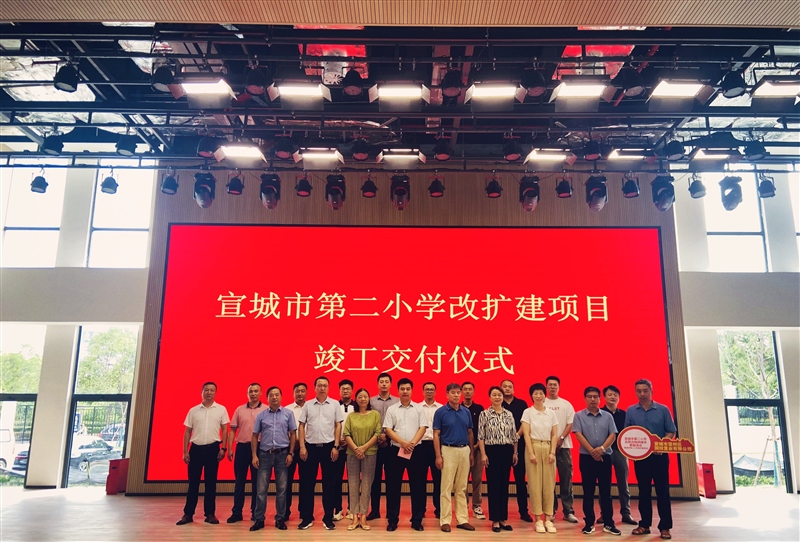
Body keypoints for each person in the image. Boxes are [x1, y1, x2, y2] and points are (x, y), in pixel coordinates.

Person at [625, 379, 677, 541]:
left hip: (660, 457)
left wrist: (662, 444)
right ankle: (644, 524)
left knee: (663, 491)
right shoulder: (631, 411)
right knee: (644, 491)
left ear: (651, 391)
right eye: (639, 391)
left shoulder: (663, 409)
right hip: (641, 459)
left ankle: (665, 527)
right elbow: (627, 433)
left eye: (645, 390)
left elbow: (671, 431)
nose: (642, 394)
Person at [176, 382, 230, 526]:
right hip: (196, 450)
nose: (209, 392)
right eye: (206, 390)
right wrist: (185, 451)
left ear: (215, 392)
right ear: (202, 392)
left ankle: (210, 514)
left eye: (212, 390)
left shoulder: (221, 409)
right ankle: (188, 514)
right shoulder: (193, 410)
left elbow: (225, 429)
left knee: (211, 483)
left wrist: (223, 448)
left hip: (213, 449)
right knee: (193, 483)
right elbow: (187, 431)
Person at [572, 386, 621, 536]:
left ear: (600, 399)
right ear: (585, 398)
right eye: (589, 397)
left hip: (605, 457)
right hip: (587, 458)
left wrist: (601, 449)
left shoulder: (608, 416)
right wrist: (592, 451)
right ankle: (589, 523)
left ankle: (609, 523)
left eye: (595, 397)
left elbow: (613, 434)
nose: (592, 399)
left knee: (606, 492)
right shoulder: (578, 415)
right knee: (588, 492)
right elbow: (578, 434)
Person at [297, 376, 344, 530]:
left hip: (329, 447)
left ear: (328, 388)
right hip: (309, 448)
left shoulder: (335, 404)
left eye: (325, 385)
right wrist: (302, 447)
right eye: (319, 385)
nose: (322, 388)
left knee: (329, 484)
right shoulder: (308, 405)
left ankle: (328, 518)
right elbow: (301, 426)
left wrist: (336, 446)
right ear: (315, 388)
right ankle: (307, 518)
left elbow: (338, 425)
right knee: (307, 484)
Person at [383, 378, 428, 531]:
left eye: (408, 389)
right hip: (396, 451)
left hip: (416, 451)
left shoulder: (419, 408)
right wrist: (403, 443)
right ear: (398, 390)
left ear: (411, 390)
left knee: (418, 486)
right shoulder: (392, 409)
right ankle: (392, 520)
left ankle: (417, 520)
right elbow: (388, 429)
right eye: (402, 389)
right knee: (393, 486)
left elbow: (423, 428)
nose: (405, 391)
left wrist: (411, 444)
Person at [250, 386, 297, 532]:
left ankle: (280, 519)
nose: (274, 397)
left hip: (283, 454)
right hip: (264, 455)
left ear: (281, 397)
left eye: (277, 394)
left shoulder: (288, 414)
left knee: (282, 489)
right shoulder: (262, 415)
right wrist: (254, 455)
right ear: (267, 398)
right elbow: (254, 435)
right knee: (261, 489)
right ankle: (259, 519)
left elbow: (293, 434)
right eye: (271, 395)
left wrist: (291, 453)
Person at [434, 383, 476, 532]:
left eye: (458, 392)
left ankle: (462, 519)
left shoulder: (466, 412)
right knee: (446, 487)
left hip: (464, 450)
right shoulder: (441, 412)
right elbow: (436, 434)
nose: (456, 395)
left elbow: (470, 433)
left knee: (462, 487)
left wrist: (471, 453)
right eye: (453, 392)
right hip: (448, 450)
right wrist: (438, 456)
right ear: (447, 394)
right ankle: (445, 520)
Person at [477, 385, 518, 533]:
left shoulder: (509, 414)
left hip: (507, 451)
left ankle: (503, 519)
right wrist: (483, 454)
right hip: (492, 451)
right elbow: (481, 436)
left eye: (499, 395)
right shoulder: (484, 414)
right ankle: (495, 520)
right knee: (493, 486)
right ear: (490, 397)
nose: (497, 397)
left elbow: (514, 435)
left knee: (504, 485)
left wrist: (515, 453)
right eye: (494, 395)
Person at [226, 383, 267, 523]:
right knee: (239, 482)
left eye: (256, 391)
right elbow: (233, 430)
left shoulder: (266, 409)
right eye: (251, 391)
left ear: (261, 393)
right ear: (247, 393)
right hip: (242, 448)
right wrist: (230, 448)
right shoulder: (239, 409)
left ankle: (256, 512)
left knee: (257, 483)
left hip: (260, 449)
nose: (253, 393)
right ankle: (237, 512)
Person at [520, 383, 558, 534]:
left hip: (548, 447)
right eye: (535, 393)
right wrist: (530, 453)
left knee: (549, 484)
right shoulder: (527, 412)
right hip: (534, 446)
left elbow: (554, 434)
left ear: (544, 395)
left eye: (541, 393)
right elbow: (526, 434)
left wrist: (552, 452)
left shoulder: (551, 413)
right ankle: (538, 519)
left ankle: (548, 518)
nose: (538, 396)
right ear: (531, 395)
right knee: (535, 484)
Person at [343, 388, 382, 531]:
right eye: (360, 396)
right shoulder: (351, 416)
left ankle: (363, 516)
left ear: (369, 399)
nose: (363, 399)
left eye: (365, 396)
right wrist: (356, 449)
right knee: (353, 484)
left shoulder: (375, 415)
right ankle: (354, 516)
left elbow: (377, 433)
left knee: (366, 485)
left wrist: (364, 448)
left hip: (370, 453)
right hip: (352, 453)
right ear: (356, 399)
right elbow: (346, 433)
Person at [598, 385, 637, 526]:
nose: (612, 397)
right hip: (605, 452)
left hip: (621, 452)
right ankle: (605, 514)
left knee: (623, 484)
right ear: (604, 397)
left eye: (615, 395)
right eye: (609, 394)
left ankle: (626, 513)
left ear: (619, 398)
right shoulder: (599, 413)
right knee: (604, 484)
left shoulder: (625, 415)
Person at [544, 375, 578, 523]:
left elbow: (570, 423)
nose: (552, 387)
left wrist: (561, 438)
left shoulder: (566, 404)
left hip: (563, 446)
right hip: (546, 447)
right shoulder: (542, 403)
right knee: (548, 481)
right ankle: (550, 510)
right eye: (550, 384)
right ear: (546, 386)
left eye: (555, 385)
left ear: (559, 387)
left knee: (566, 479)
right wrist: (551, 441)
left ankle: (568, 511)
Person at [500, 379, 533, 522]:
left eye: (510, 386)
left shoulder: (522, 404)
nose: (507, 389)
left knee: (520, 480)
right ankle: (501, 512)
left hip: (520, 446)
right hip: (503, 446)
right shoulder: (498, 404)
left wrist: (516, 436)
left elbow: (524, 423)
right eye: (505, 386)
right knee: (503, 481)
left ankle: (524, 511)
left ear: (514, 389)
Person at [367, 372, 398, 520]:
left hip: (392, 445)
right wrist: (378, 436)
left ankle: (391, 513)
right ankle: (375, 510)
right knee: (374, 480)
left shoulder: (397, 402)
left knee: (392, 480)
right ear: (378, 384)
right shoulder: (371, 401)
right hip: (374, 445)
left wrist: (388, 436)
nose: (384, 384)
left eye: (386, 381)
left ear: (391, 384)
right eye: (381, 381)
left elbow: (399, 422)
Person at [418, 381, 443, 519]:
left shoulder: (441, 408)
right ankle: (420, 509)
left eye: (431, 389)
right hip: (421, 446)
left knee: (438, 479)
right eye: (426, 389)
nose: (429, 391)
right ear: (423, 391)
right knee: (420, 479)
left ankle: (439, 509)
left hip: (436, 446)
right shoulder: (417, 408)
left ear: (435, 391)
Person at [461, 381, 486, 520]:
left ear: (474, 392)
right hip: (462, 449)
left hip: (477, 448)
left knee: (477, 479)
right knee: (462, 480)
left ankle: (477, 505)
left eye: (470, 389)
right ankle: (463, 505)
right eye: (465, 389)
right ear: (461, 392)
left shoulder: (479, 408)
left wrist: (476, 446)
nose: (467, 391)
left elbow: (482, 429)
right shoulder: (457, 408)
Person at [283, 382, 307, 522]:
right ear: (293, 393)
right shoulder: (287, 409)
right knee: (286, 482)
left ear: (306, 393)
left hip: (306, 448)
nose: (300, 393)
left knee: (305, 482)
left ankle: (304, 511)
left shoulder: (310, 407)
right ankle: (285, 512)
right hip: (289, 449)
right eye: (297, 391)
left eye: (302, 391)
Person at [332, 379, 354, 521]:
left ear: (352, 390)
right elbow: (331, 425)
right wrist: (337, 440)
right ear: (339, 391)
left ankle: (352, 509)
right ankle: (338, 509)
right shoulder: (334, 406)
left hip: (353, 448)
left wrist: (351, 442)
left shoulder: (357, 406)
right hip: (338, 447)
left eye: (348, 388)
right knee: (336, 479)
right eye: (343, 388)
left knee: (353, 479)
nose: (345, 391)